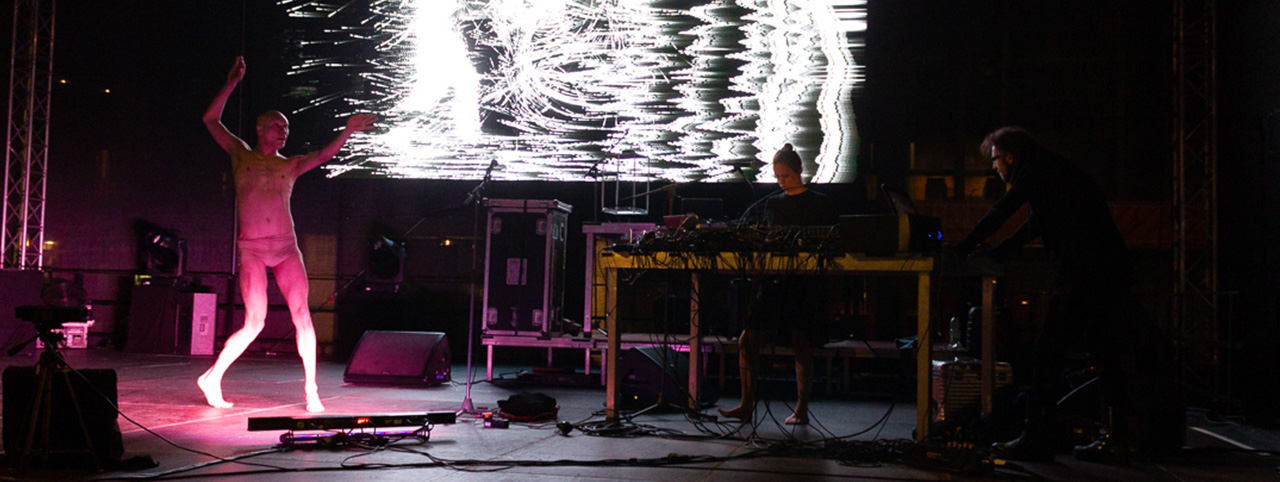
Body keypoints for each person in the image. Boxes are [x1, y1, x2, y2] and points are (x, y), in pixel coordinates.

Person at [956, 127, 1176, 462]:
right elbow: (1034, 224)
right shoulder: (1052, 169)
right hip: (1103, 270)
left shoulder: (1034, 171)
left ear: (1009, 156)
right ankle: (1117, 436)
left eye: (995, 160)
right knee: (1104, 352)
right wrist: (999, 252)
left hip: (1083, 271)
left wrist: (965, 244)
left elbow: (1005, 209)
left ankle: (1038, 434)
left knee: (1048, 352)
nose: (994, 168)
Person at [197, 56, 377, 412]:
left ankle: (311, 389)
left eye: (287, 128)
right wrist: (232, 82)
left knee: (302, 314)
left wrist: (347, 132)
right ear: (260, 128)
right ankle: (211, 378)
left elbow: (323, 156)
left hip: (285, 248)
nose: (284, 131)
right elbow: (210, 120)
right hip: (252, 249)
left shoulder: (290, 165)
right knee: (255, 322)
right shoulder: (240, 155)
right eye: (278, 126)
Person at [718, 144, 838, 425]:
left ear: (799, 171)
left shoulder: (819, 203)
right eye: (778, 177)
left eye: (786, 176)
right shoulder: (772, 203)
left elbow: (832, 239)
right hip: (774, 280)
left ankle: (801, 409)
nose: (781, 182)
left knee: (801, 341)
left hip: (804, 283)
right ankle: (746, 405)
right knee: (748, 339)